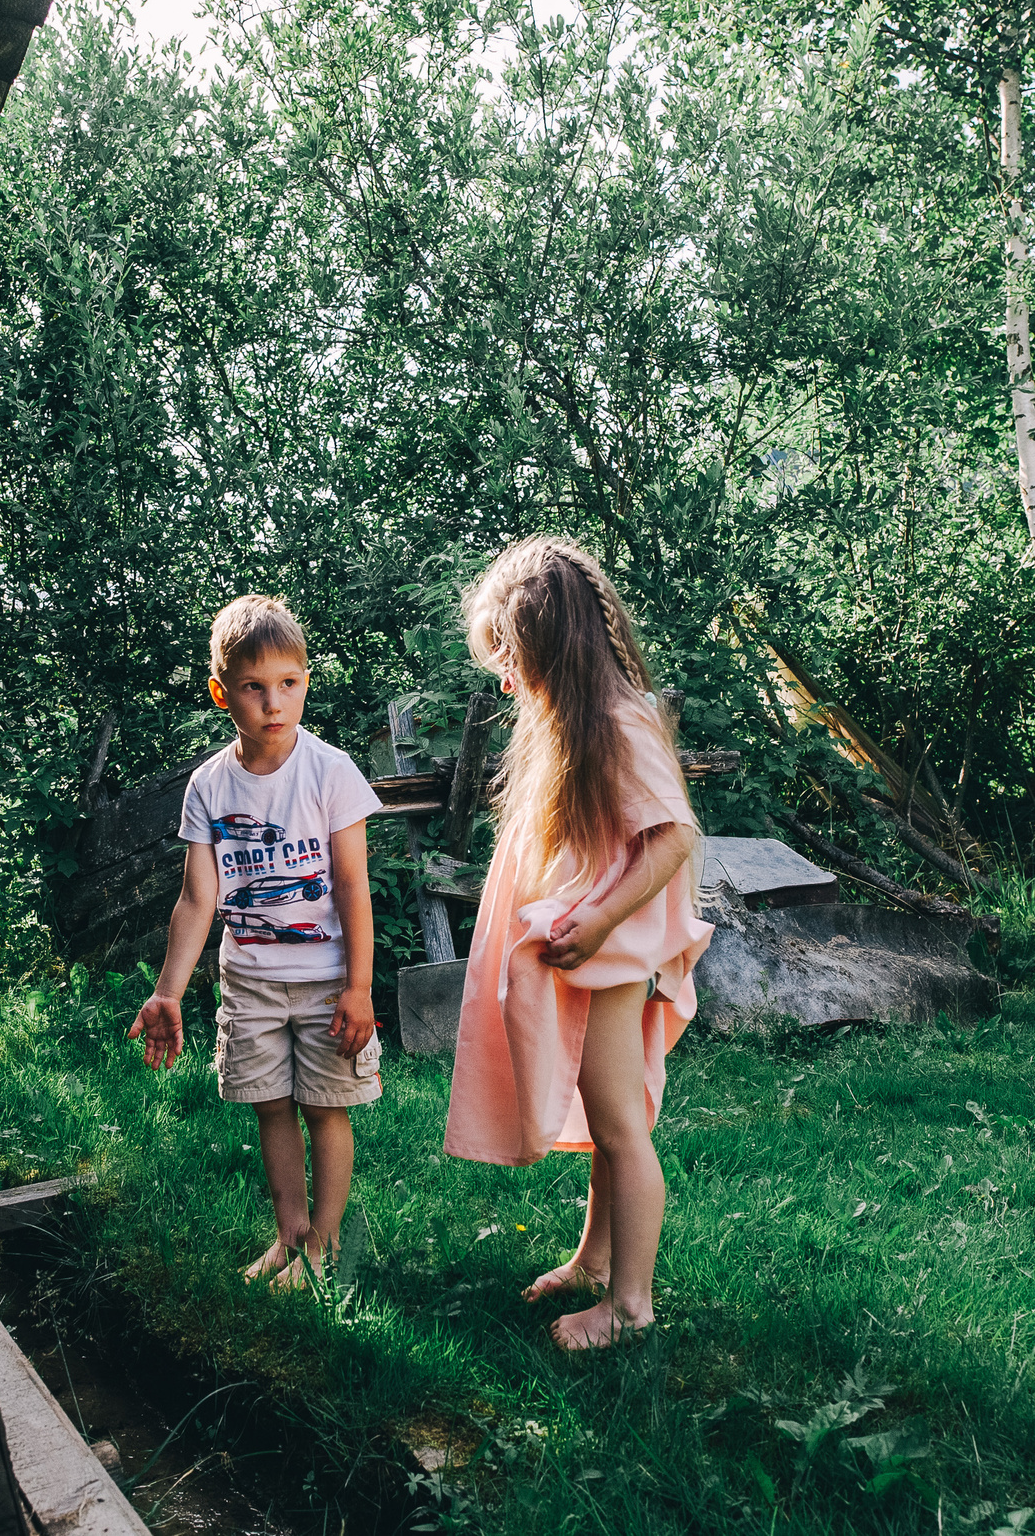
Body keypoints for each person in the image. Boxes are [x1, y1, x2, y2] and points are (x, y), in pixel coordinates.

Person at [442, 538, 711, 1348]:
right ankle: (594, 1262)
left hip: (610, 959)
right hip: (590, 954)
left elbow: (672, 836)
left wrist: (595, 920)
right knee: (605, 1123)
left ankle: (629, 1305)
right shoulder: (575, 724)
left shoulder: (621, 724)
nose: (505, 679)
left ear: (554, 645)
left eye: (512, 658)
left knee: (621, 1127)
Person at [128, 594, 383, 1289]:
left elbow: (353, 887)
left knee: (325, 1108)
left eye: (288, 683)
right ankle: (289, 1235)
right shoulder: (210, 786)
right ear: (222, 693)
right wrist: (167, 991)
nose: (274, 703)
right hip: (250, 980)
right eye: (253, 687)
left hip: (328, 979)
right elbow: (197, 898)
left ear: (305, 682)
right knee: (271, 1105)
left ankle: (325, 1247)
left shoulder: (330, 771)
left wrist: (360, 986)